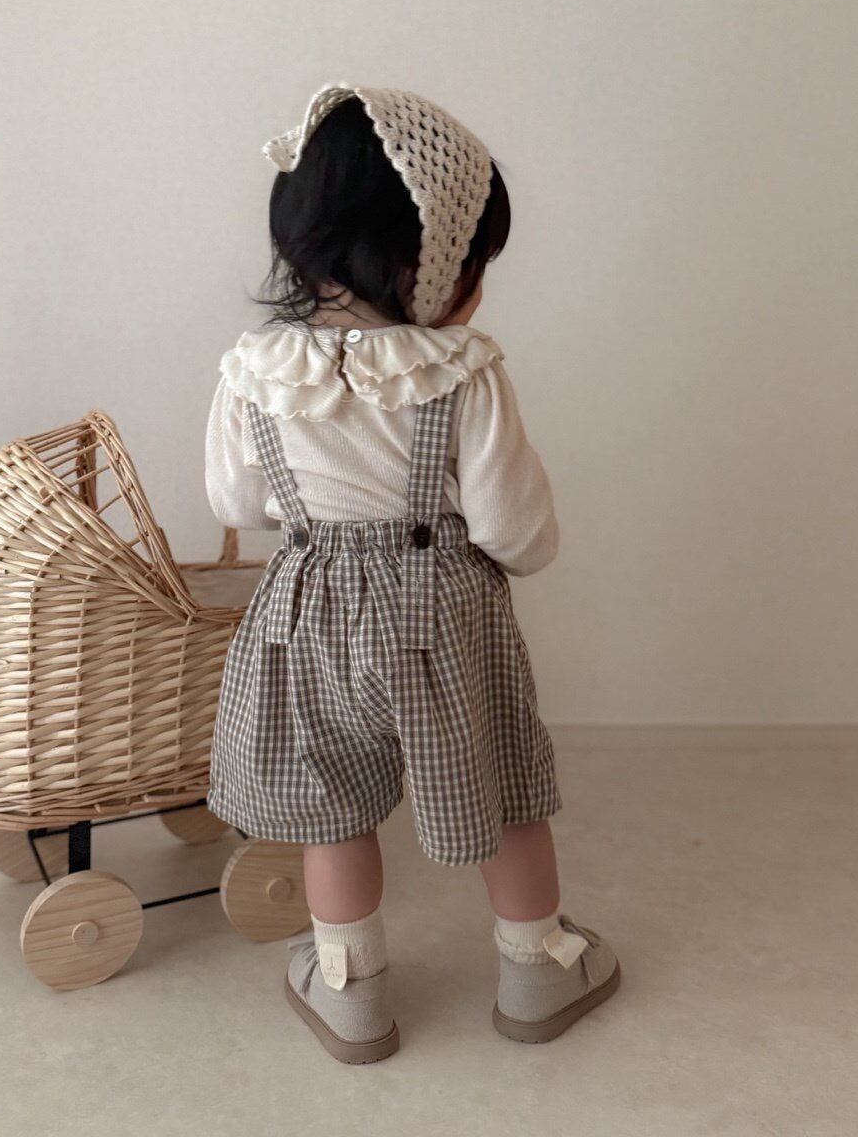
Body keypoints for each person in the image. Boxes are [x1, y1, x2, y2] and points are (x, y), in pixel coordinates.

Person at [204, 85, 619, 1063]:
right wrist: (516, 549)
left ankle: (349, 987)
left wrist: (316, 514)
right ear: (417, 262)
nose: (478, 286)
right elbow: (515, 527)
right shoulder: (461, 371)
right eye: (474, 260)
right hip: (442, 613)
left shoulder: (253, 371)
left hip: (307, 614)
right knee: (502, 789)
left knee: (332, 806)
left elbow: (234, 501)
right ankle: (537, 966)